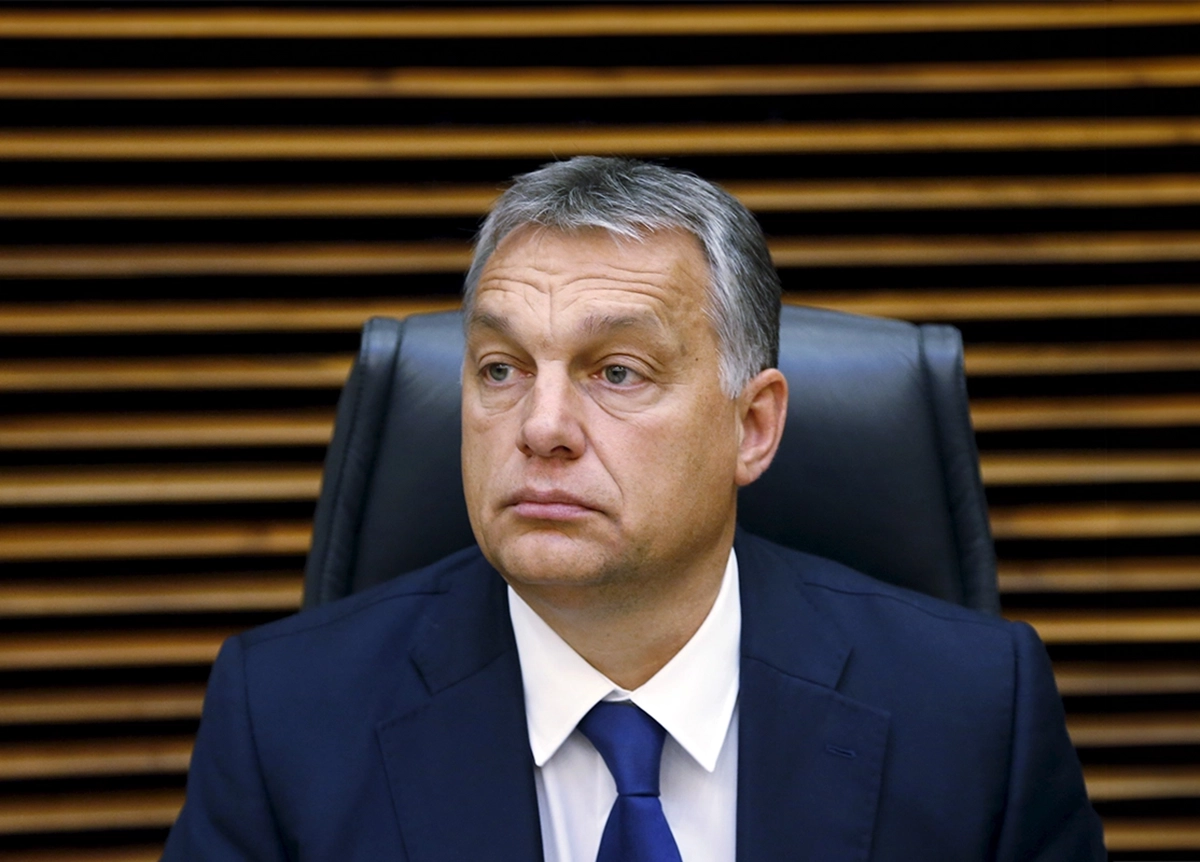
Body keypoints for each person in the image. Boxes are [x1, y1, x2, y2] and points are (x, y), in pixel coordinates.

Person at [163, 157, 1105, 860]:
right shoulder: (282, 719)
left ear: (753, 426)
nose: (541, 427)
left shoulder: (978, 712)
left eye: (617, 371)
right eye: (501, 369)